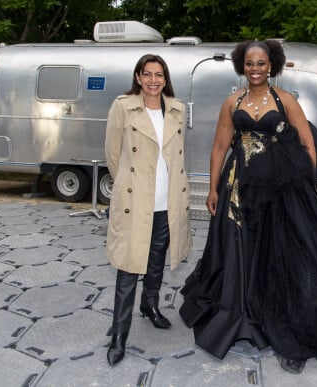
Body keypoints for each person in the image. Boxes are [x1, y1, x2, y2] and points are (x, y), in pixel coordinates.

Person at [179, 40, 317, 374]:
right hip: (237, 185)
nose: (255, 69)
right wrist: (212, 188)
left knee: (279, 249)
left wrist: (306, 183)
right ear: (242, 66)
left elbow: (308, 144)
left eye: (261, 63)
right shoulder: (232, 101)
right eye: (250, 63)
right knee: (237, 246)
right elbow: (220, 146)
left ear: (272, 66)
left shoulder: (286, 100)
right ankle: (238, 313)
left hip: (278, 187)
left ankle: (273, 313)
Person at [104, 54, 192, 366]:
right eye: (148, 74)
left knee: (156, 261)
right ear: (139, 77)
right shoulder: (123, 107)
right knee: (128, 268)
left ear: (165, 79)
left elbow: (178, 157)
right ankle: (119, 334)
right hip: (135, 201)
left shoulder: (177, 109)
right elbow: (113, 156)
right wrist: (131, 185)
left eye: (159, 75)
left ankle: (150, 306)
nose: (154, 80)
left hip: (167, 202)